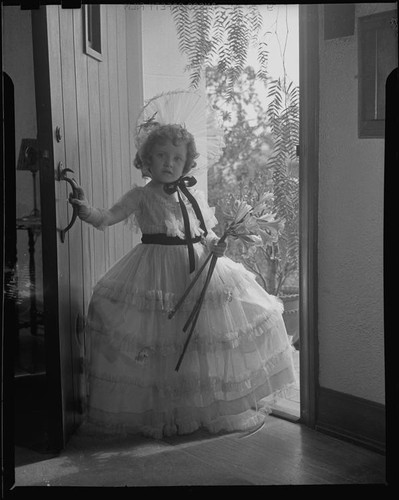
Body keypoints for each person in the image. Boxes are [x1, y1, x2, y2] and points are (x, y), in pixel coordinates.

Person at [69, 91, 296, 439]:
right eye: (161, 156)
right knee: (160, 339)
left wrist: (215, 246)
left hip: (196, 268)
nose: (169, 163)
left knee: (203, 338)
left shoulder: (193, 195)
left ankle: (199, 408)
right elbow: (109, 215)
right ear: (147, 160)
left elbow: (205, 233)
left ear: (187, 162)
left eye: (177, 157)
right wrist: (87, 210)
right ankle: (163, 410)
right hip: (154, 270)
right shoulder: (141, 195)